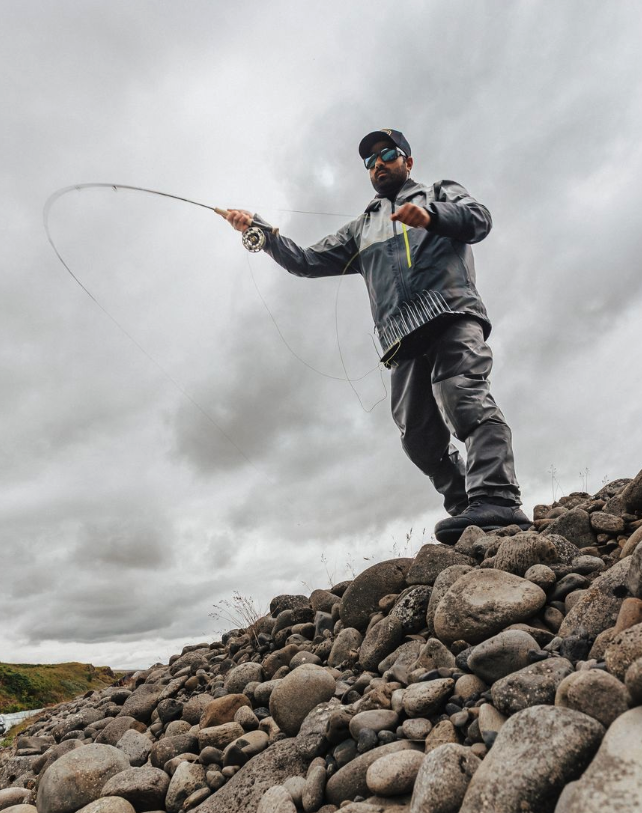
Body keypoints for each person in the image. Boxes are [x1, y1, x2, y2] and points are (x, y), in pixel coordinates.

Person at [222, 127, 531, 544]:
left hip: (451, 314)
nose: (378, 163)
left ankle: (497, 498)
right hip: (400, 337)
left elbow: (480, 219)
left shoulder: (439, 191)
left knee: (465, 399)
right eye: (370, 161)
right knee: (418, 437)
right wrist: (259, 229)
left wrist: (433, 217)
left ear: (408, 160)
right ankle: (467, 509)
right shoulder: (360, 228)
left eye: (387, 153)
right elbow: (306, 261)